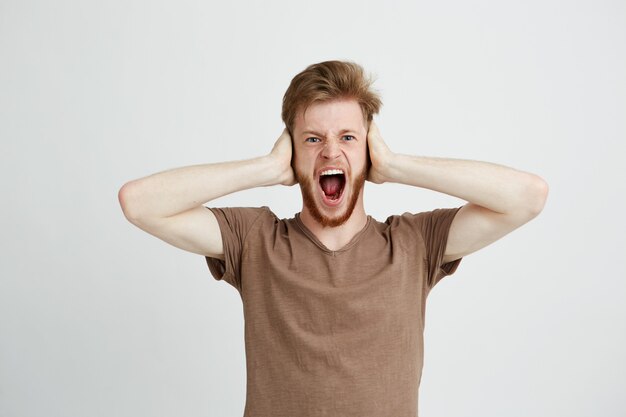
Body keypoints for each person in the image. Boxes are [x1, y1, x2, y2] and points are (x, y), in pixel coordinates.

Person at [118, 60, 548, 417]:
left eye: (347, 137)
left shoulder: (415, 243)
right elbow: (139, 203)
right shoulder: (253, 239)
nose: (329, 152)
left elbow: (528, 197)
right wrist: (266, 169)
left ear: (367, 149)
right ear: (292, 150)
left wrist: (397, 165)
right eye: (312, 139)